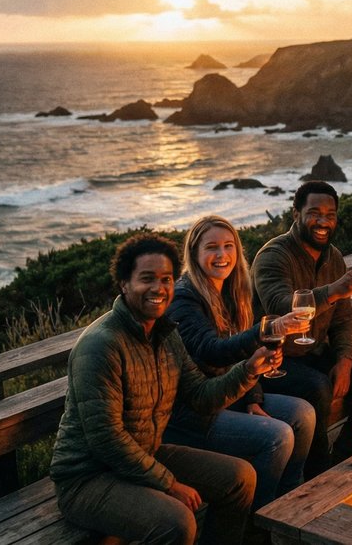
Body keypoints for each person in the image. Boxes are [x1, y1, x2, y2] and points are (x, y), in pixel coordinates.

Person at [51, 233, 274, 545]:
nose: (159, 288)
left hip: (146, 454)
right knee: (177, 523)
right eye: (147, 279)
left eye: (166, 279)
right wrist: (168, 483)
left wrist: (249, 370)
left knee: (240, 478)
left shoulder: (166, 335)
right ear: (124, 283)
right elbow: (106, 439)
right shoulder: (102, 345)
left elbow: (200, 396)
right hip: (88, 477)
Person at [163, 215, 317, 508]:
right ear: (194, 253)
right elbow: (212, 350)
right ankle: (259, 514)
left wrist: (253, 399)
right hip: (195, 411)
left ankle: (288, 503)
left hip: (231, 394)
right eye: (211, 247)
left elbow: (244, 358)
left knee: (303, 414)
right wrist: (268, 330)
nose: (222, 254)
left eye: (228, 245)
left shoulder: (233, 291)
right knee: (278, 436)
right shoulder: (184, 299)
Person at [252, 181, 352, 476]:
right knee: (317, 387)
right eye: (314, 213)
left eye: (330, 215)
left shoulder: (333, 257)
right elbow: (280, 305)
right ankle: (316, 474)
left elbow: (343, 319)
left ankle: (345, 454)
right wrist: (334, 290)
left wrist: (345, 360)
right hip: (274, 361)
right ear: (296, 214)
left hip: (315, 351)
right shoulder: (273, 256)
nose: (323, 222)